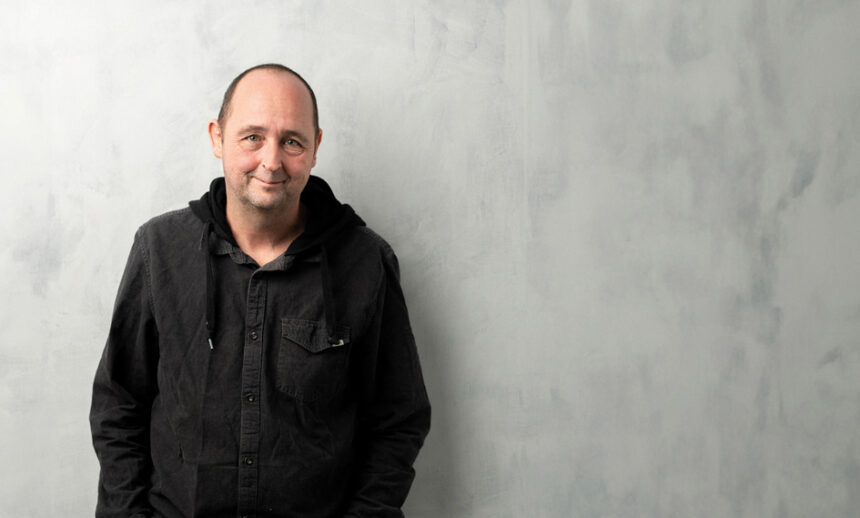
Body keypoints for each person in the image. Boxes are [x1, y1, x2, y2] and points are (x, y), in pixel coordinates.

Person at [90, 63, 431, 518]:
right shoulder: (159, 249)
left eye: (292, 141)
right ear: (217, 138)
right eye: (252, 137)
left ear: (315, 148)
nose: (271, 161)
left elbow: (398, 419)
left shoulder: (366, 262)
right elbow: (119, 404)